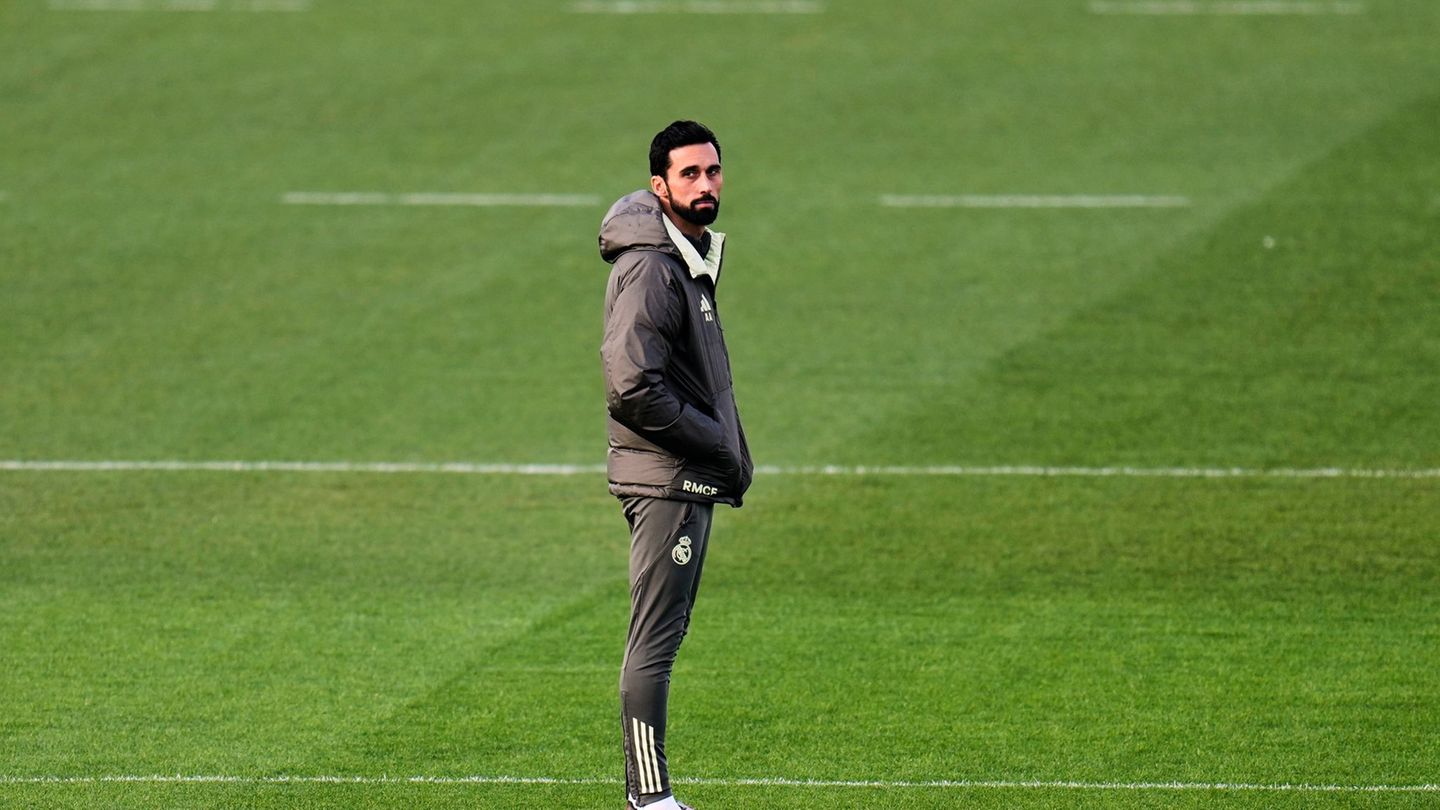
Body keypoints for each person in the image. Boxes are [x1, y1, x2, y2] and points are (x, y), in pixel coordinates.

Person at [597, 120, 754, 810]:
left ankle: (650, 797)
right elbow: (631, 386)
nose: (705, 185)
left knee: (667, 633)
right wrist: (712, 443)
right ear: (659, 186)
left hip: (685, 473)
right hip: (668, 476)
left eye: (713, 171)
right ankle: (648, 797)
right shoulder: (653, 268)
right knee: (655, 638)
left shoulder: (686, 257)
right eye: (689, 175)